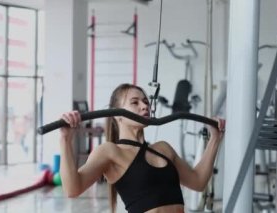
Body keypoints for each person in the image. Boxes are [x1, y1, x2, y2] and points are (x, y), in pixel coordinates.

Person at [59, 83, 225, 213]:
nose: (145, 106)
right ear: (117, 114)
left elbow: (198, 181)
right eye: (135, 102)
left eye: (146, 102)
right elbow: (73, 189)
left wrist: (215, 139)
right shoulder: (110, 152)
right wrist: (65, 139)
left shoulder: (163, 149)